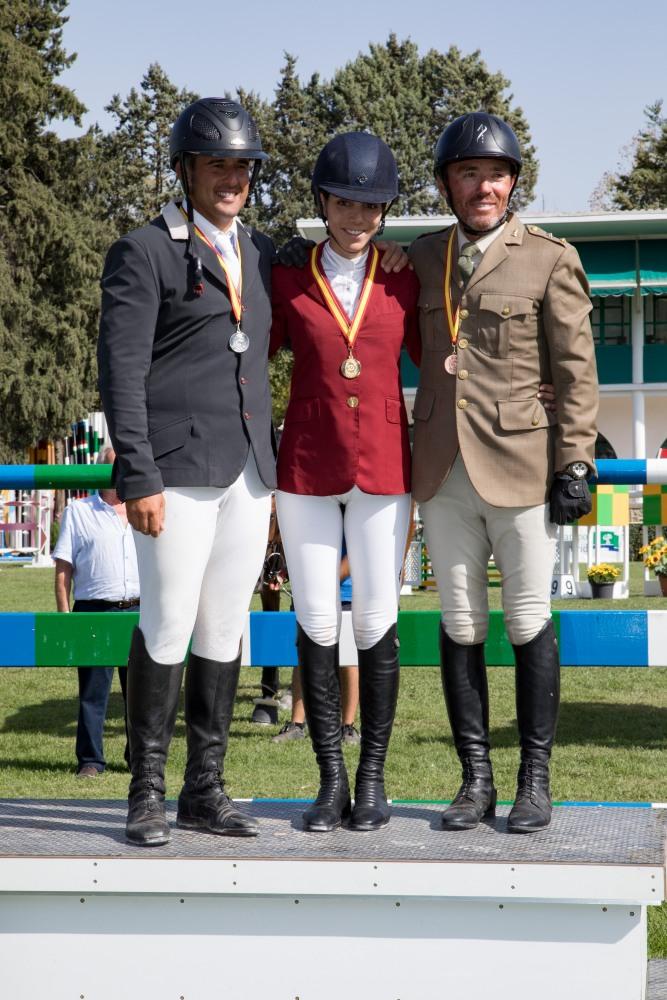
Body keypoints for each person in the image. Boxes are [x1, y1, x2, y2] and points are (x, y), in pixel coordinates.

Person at [409, 112, 598, 834]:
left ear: (513, 182)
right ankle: (474, 780)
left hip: (521, 463)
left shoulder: (548, 257)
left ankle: (533, 781)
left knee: (525, 622)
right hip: (442, 468)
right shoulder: (420, 257)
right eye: (467, 172)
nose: (482, 186)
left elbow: (576, 370)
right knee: (458, 624)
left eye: (495, 173)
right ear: (445, 184)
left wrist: (575, 458)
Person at [97, 98, 277, 846]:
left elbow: (341, 257)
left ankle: (205, 788)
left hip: (249, 471)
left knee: (225, 627)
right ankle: (145, 791)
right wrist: (135, 471)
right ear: (186, 170)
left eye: (241, 167)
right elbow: (120, 370)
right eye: (216, 165)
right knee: (166, 622)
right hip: (173, 471)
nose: (230, 178)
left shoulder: (265, 253)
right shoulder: (143, 251)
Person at [271, 132, 421, 833]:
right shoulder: (286, 278)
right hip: (305, 467)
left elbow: (449, 348)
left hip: (385, 467)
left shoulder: (404, 276)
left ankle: (372, 778)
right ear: (322, 203)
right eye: (344, 203)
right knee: (316, 621)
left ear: (385, 211)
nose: (357, 218)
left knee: (374, 621)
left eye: (371, 206)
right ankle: (329, 780)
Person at [52, 446, 136, 776]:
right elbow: (63, 571)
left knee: (141, 696)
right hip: (92, 612)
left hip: (139, 611)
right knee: (92, 693)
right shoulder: (78, 511)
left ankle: (140, 759)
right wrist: (64, 618)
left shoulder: (145, 509)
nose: (122, 474)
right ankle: (90, 760)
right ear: (102, 471)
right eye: (116, 467)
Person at [273, 550, 360, 744]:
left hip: (345, 591)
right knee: (304, 653)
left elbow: (357, 550)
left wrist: (326, 581)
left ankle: (348, 726)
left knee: (347, 659)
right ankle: (296, 724)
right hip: (308, 590)